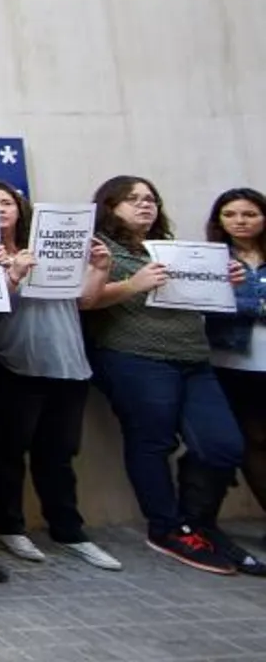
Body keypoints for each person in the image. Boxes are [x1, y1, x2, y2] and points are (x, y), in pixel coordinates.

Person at [81, 175, 255, 575]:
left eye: (150, 199)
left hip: (193, 358)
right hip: (134, 357)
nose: (145, 205)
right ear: (110, 207)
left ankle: (197, 522)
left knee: (223, 445)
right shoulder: (98, 248)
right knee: (152, 442)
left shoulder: (173, 249)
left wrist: (222, 281)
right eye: (132, 199)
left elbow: (198, 301)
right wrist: (132, 283)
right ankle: (167, 527)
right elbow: (84, 301)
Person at [0, 181, 122, 571]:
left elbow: (85, 299)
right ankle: (8, 526)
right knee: (6, 451)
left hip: (67, 363)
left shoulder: (48, 247)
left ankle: (69, 531)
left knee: (59, 453)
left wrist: (100, 269)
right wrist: (12, 277)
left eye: (7, 202)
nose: (1, 209)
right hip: (13, 363)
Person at [206, 188, 266, 553]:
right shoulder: (213, 259)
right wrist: (256, 304)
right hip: (235, 364)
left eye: (249, 214)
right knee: (253, 441)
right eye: (230, 215)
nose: (240, 221)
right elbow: (214, 307)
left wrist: (245, 301)